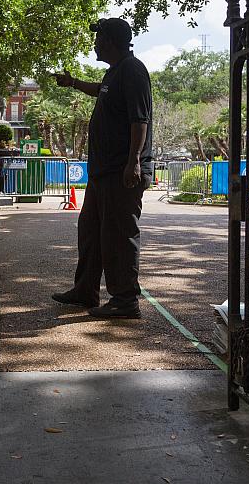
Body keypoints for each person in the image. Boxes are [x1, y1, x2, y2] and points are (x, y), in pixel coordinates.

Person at [51, 17, 154, 319]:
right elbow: (100, 90)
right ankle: (85, 291)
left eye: (98, 39)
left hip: (121, 172)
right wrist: (73, 83)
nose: (94, 45)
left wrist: (133, 161)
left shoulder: (133, 71)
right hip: (104, 172)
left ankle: (125, 300)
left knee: (119, 236)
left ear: (109, 41)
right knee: (92, 232)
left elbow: (140, 120)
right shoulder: (115, 72)